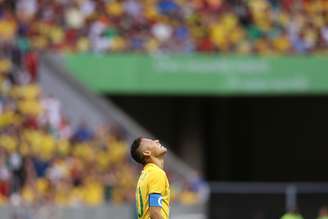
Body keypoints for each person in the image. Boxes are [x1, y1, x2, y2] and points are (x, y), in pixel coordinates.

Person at [130, 137, 170, 219]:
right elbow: (155, 213)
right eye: (152, 142)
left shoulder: (145, 175)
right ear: (147, 153)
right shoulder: (156, 173)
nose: (157, 141)